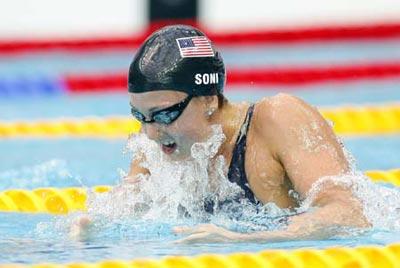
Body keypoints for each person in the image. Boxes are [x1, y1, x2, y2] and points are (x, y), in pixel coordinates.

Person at [72, 25, 368, 243]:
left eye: (164, 114)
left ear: (209, 100)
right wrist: (97, 229)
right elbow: (127, 204)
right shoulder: (159, 145)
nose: (150, 132)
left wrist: (246, 241)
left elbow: (348, 213)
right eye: (140, 117)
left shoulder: (278, 120)